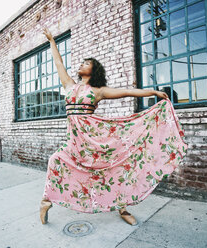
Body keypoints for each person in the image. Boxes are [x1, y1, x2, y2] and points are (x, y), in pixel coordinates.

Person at [40, 27, 188, 226]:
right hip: (75, 141)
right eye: (82, 62)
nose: (82, 65)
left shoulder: (99, 91)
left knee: (112, 170)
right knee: (55, 160)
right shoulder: (69, 85)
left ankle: (123, 207)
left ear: (93, 70)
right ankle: (46, 201)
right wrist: (51, 41)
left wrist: (153, 91)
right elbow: (58, 62)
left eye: (86, 63)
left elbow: (128, 91)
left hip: (96, 138)